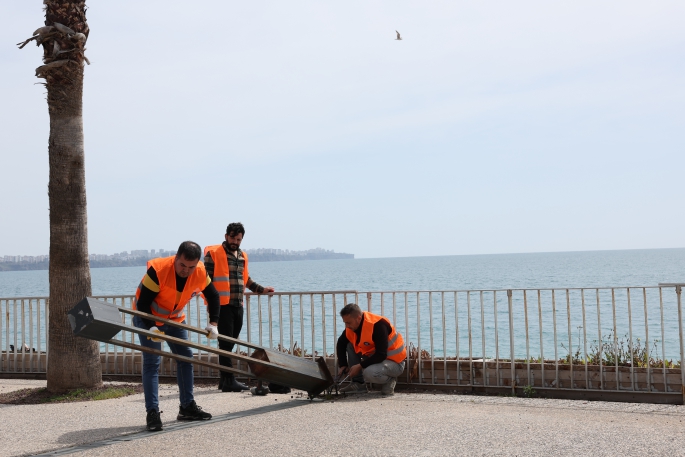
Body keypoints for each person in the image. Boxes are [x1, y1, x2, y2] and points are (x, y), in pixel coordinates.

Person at [132, 241, 221, 432]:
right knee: (152, 363)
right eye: (182, 265)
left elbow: (213, 296)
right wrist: (151, 328)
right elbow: (142, 304)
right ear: (176, 258)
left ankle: (187, 407)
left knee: (186, 358)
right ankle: (153, 413)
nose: (186, 270)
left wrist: (213, 323)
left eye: (191, 267)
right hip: (148, 318)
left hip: (175, 320)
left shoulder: (199, 272)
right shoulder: (158, 271)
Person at [204, 222, 280, 393]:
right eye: (232, 237)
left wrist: (262, 290)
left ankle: (224, 380)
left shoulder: (242, 256)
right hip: (221, 306)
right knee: (226, 343)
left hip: (238, 305)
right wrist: (210, 304)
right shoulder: (213, 253)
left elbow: (246, 279)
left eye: (238, 239)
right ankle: (229, 380)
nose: (235, 241)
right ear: (226, 236)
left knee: (230, 343)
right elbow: (205, 281)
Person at [336, 303, 407, 396]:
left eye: (348, 322)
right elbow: (341, 343)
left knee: (369, 373)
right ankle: (358, 384)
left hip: (395, 363)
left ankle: (390, 380)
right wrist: (343, 365)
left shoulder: (378, 325)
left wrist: (359, 366)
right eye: (345, 323)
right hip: (378, 359)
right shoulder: (351, 327)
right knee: (350, 345)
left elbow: (381, 354)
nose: (347, 326)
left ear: (358, 318)